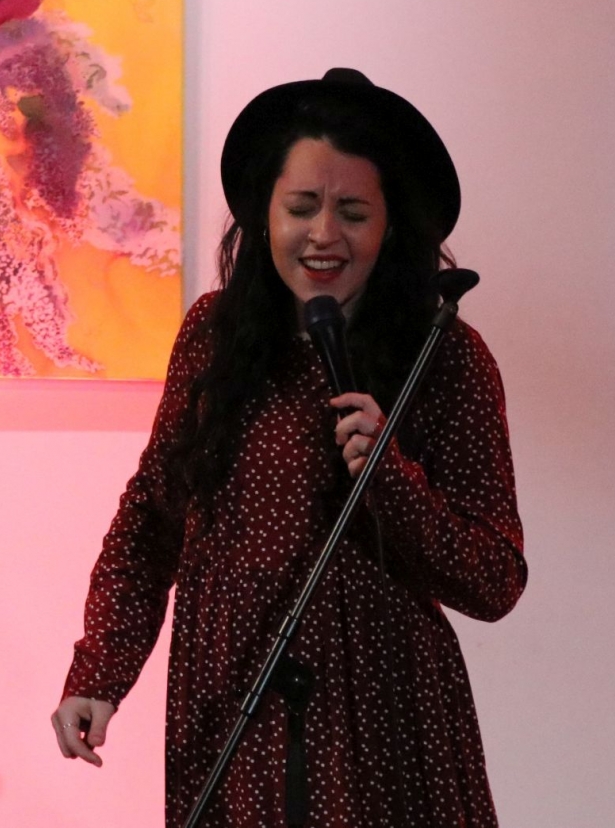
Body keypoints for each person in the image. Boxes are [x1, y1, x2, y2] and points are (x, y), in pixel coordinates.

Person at [51, 69, 525, 826]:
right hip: (232, 700)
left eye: (354, 212)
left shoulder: (446, 355)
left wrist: (389, 480)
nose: (324, 235)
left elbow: (494, 580)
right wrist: (100, 671)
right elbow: (151, 520)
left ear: (391, 225)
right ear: (262, 214)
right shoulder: (212, 335)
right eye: (302, 207)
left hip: (383, 718)